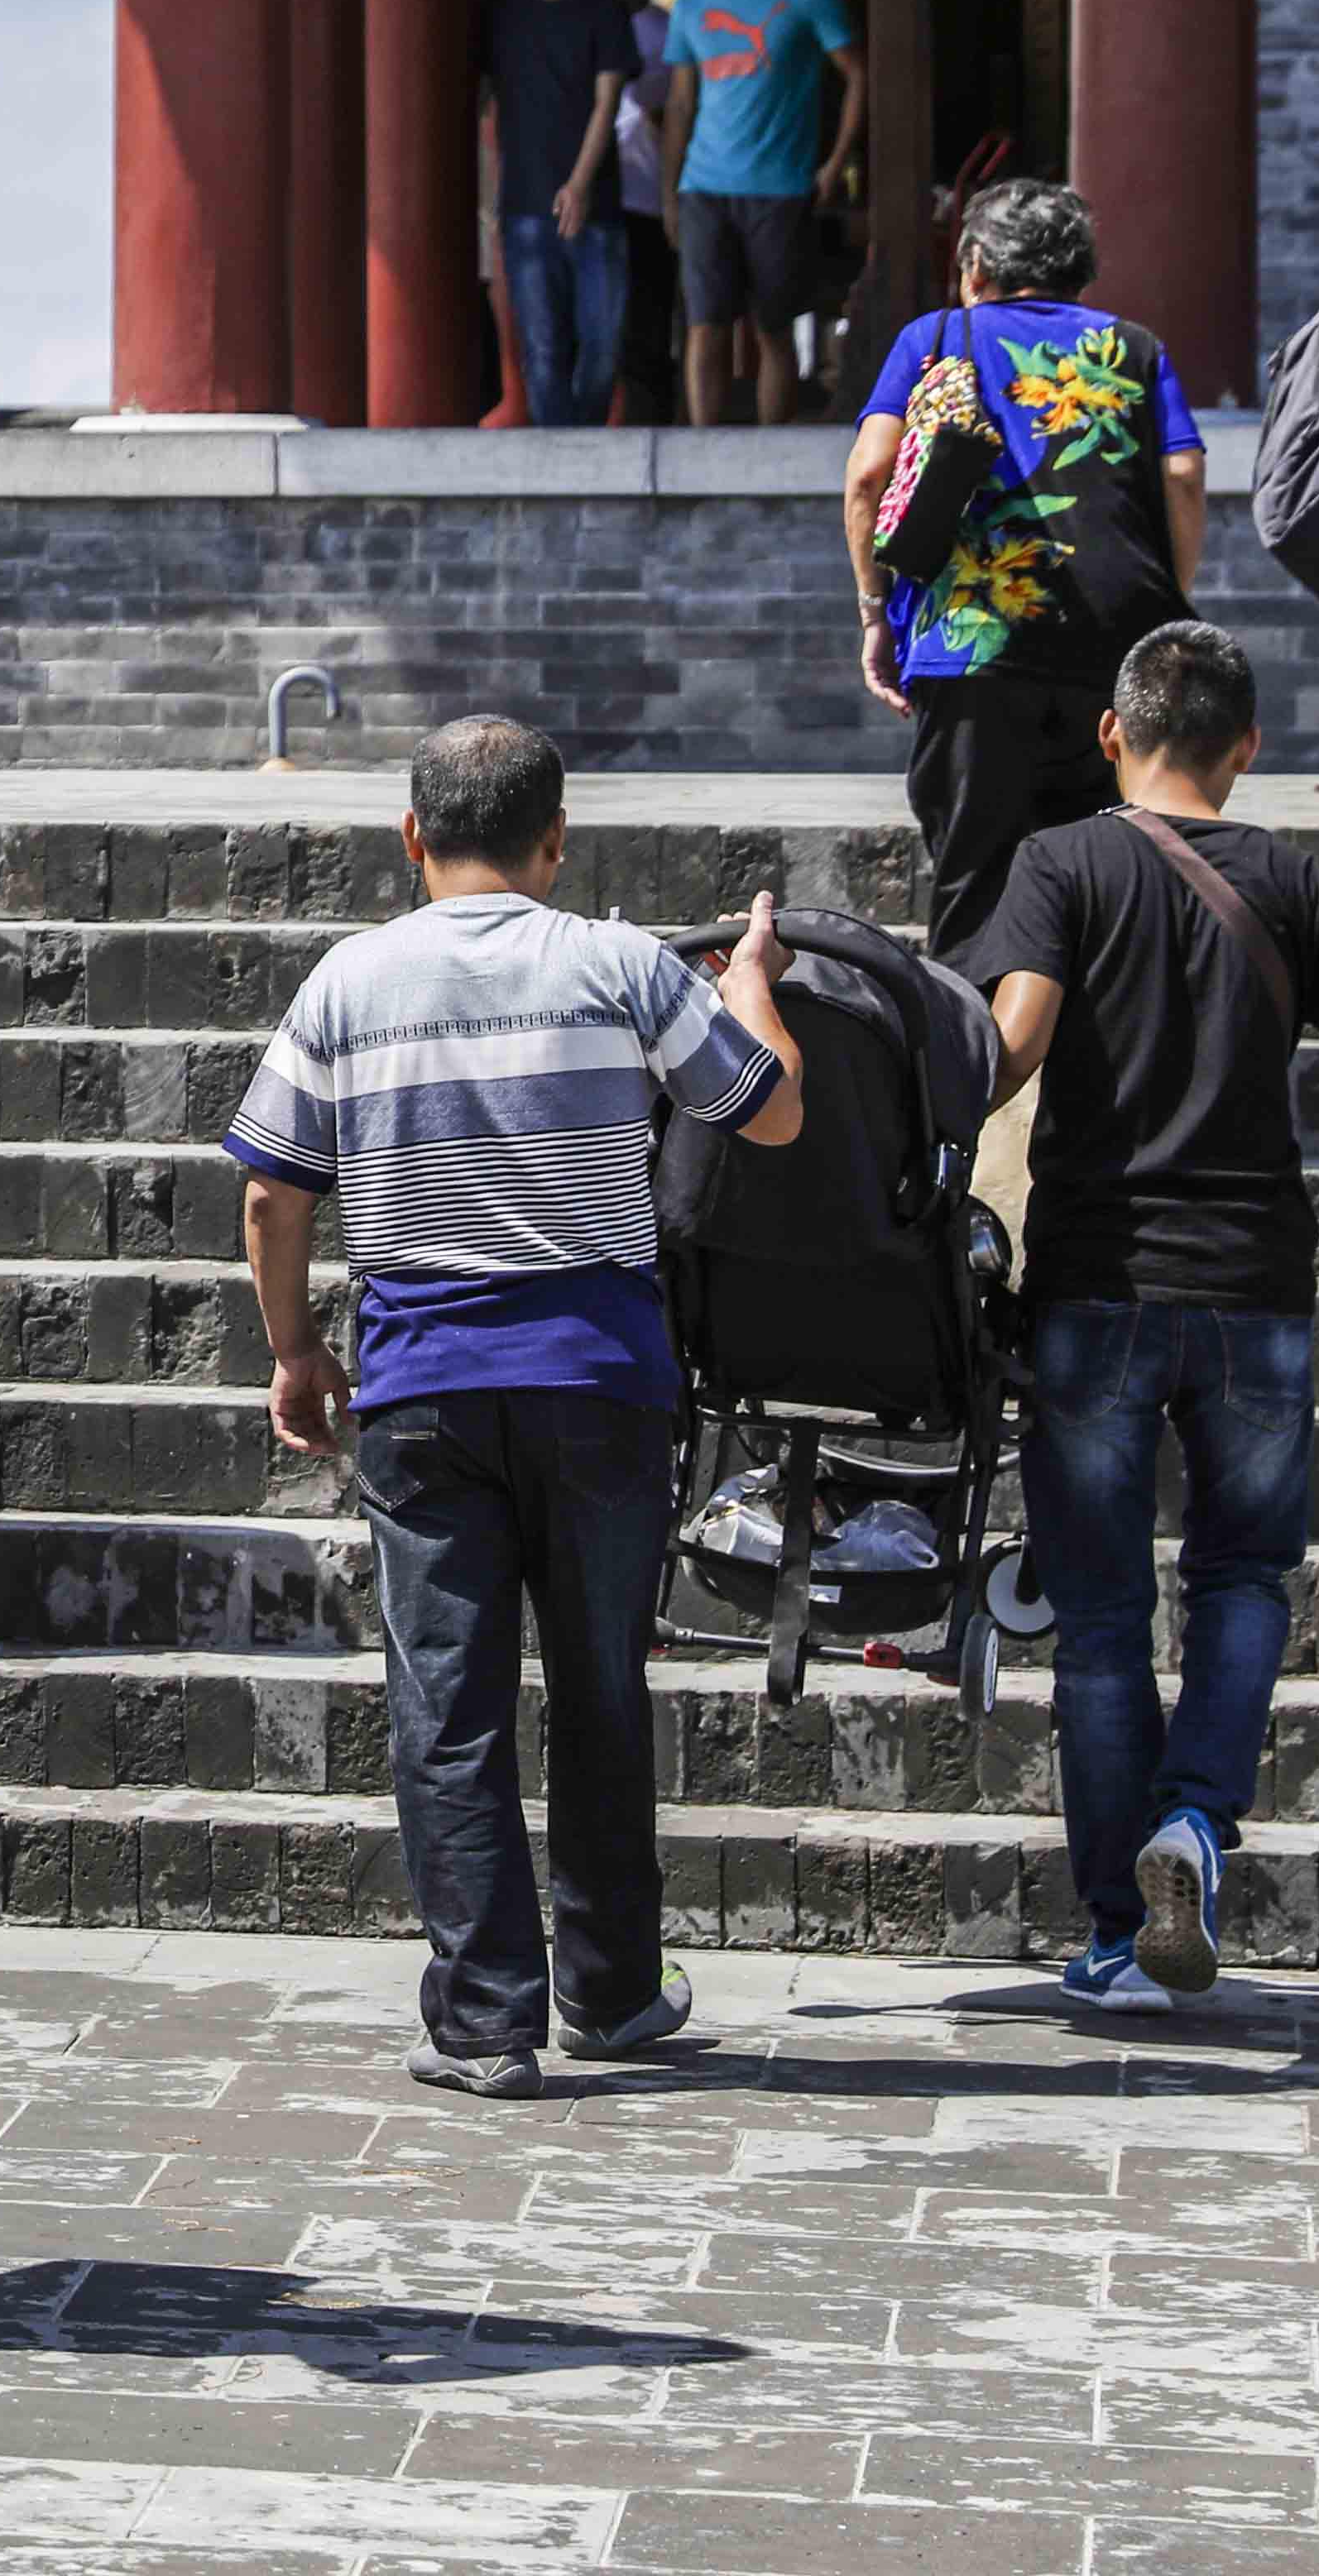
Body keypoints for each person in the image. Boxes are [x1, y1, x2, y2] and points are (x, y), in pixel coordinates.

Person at [227, 716, 807, 2100]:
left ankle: (486, 2021)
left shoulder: (348, 982)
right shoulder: (618, 963)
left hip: (424, 1390)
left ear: (411, 839)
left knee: (448, 1702)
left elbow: (271, 1191)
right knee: (602, 1684)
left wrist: (296, 1350)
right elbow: (768, 1111)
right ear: (556, 844)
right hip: (601, 1384)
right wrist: (756, 982)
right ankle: (610, 1989)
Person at [954, 620, 1319, 2015]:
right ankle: (1196, 1821)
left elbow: (1012, 1048)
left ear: (1111, 737)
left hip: (1094, 1288)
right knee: (1245, 1581)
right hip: (1253, 1292)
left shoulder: (1063, 861)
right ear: (1247, 751)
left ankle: (1123, 1933)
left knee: (1107, 1620)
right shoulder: (1298, 881)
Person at [835, 180, 1205, 953]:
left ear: (975, 264)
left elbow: (869, 475)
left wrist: (876, 614)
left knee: (974, 876)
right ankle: (1090, 1052)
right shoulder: (1133, 348)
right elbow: (1182, 477)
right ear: (1080, 267)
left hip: (974, 645)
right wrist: (1171, 595)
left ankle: (976, 1054)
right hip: (1114, 643)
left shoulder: (934, 337)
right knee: (1103, 870)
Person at [658, 0, 861, 426]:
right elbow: (680, 106)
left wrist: (835, 163)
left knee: (775, 327)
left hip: (780, 189)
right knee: (706, 326)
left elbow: (858, 76)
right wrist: (671, 192)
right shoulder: (692, 6)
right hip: (704, 187)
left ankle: (771, 451)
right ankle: (704, 451)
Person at [477, 0, 626, 431]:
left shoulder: (604, 11)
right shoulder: (498, 10)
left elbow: (606, 102)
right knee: (540, 348)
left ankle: (582, 442)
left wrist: (581, 184)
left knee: (603, 347)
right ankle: (559, 461)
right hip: (523, 201)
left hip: (597, 204)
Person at [581, 0, 682, 426]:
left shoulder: (671, 32)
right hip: (584, 197)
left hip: (646, 197)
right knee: (586, 331)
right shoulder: (576, 21)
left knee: (646, 328)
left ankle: (654, 433)